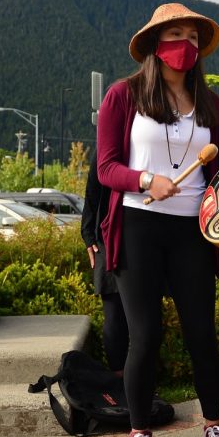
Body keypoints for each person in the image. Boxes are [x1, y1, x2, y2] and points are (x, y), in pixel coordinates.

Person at [96, 2, 219, 437]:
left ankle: (214, 428)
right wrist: (144, 181)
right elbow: (105, 167)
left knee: (202, 335)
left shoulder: (212, 106)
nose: (186, 46)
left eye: (193, 38)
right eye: (176, 35)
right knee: (145, 335)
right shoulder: (123, 96)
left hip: (193, 231)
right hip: (138, 227)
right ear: (156, 44)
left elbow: (218, 177)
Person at [81, 137, 129, 375]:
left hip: (144, 234)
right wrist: (88, 235)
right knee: (114, 314)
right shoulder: (110, 140)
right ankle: (119, 381)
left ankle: (140, 383)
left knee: (143, 317)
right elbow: (92, 189)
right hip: (107, 236)